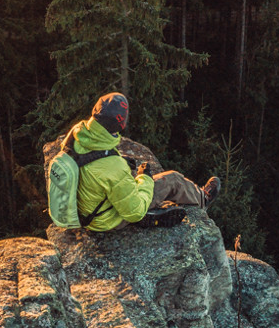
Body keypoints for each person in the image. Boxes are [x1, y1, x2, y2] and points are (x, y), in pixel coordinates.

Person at [67, 92, 219, 232]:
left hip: (84, 209)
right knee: (173, 179)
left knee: (123, 180)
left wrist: (117, 161)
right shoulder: (114, 168)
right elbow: (135, 212)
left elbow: (92, 163)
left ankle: (152, 212)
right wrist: (144, 177)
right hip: (104, 220)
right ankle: (203, 199)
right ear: (121, 123)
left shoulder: (76, 133)